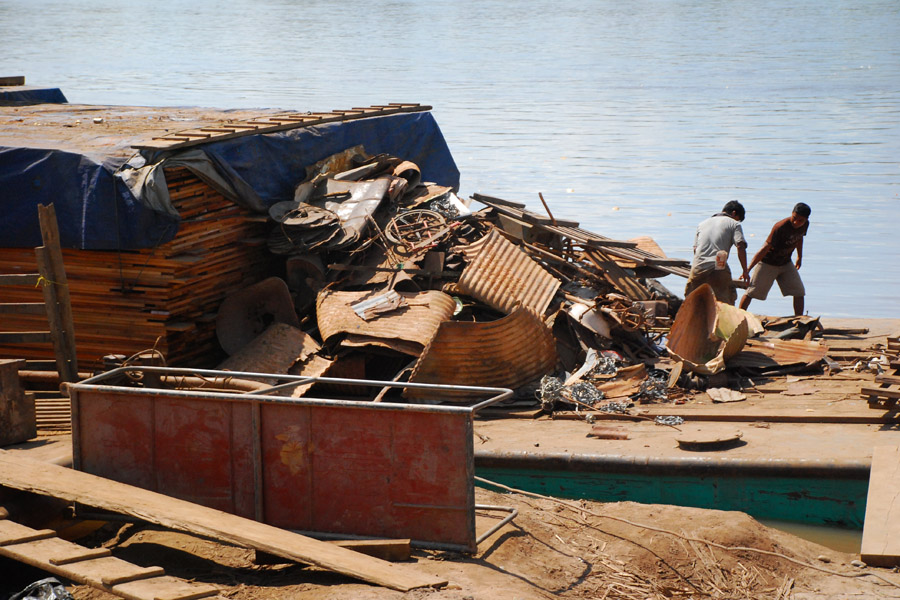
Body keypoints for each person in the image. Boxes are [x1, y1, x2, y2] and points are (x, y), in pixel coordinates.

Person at [739, 203, 811, 316]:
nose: (796, 222)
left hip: (785, 263)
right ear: (792, 214)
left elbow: (800, 238)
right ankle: (739, 316)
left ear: (806, 219)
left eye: (800, 220)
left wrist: (799, 257)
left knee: (799, 291)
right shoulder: (780, 227)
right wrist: (747, 269)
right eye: (794, 218)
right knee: (752, 292)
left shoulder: (805, 224)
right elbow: (765, 248)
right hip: (768, 262)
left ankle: (799, 319)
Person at [684, 201, 750, 305]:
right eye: (737, 218)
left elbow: (695, 249)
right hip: (718, 266)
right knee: (726, 303)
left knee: (692, 303)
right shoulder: (734, 224)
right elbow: (740, 246)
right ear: (733, 213)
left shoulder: (702, 224)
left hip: (698, 267)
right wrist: (745, 271)